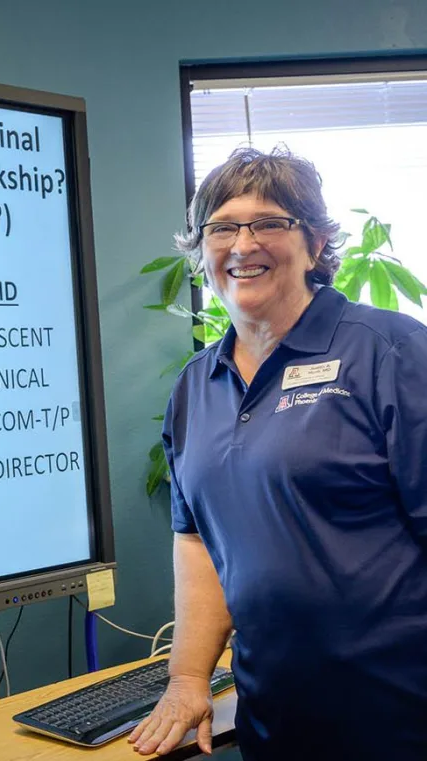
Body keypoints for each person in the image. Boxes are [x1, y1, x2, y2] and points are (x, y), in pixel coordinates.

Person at [128, 146, 427, 760]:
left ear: (316, 244)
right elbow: (199, 541)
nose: (243, 244)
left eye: (269, 223)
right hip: (278, 718)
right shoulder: (195, 387)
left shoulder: (390, 354)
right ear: (200, 250)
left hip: (401, 715)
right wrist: (187, 679)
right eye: (222, 227)